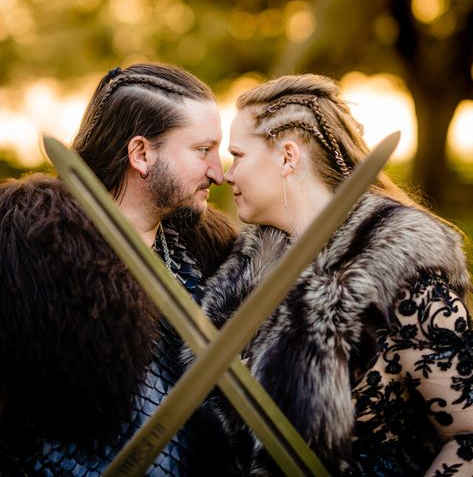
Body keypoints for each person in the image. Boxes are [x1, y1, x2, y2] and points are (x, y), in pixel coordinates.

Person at [196, 73, 473, 476]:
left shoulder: (402, 271)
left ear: (288, 156)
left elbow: (467, 437)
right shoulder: (248, 272)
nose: (226, 174)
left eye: (237, 155)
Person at [0, 62, 237, 476]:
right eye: (203, 150)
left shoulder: (210, 256)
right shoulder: (28, 259)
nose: (218, 172)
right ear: (141, 154)